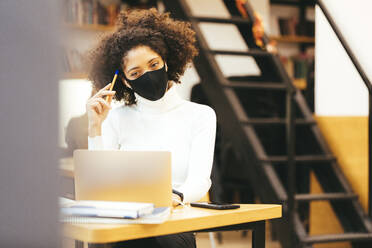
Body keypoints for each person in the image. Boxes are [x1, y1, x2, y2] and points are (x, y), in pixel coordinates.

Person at [85, 8, 217, 248]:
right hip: (124, 220)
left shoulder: (201, 116)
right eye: (135, 73)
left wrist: (175, 197)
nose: (147, 75)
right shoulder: (115, 117)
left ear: (166, 61)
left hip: (173, 221)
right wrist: (95, 128)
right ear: (124, 80)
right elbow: (98, 186)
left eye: (153, 64)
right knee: (103, 239)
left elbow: (200, 180)